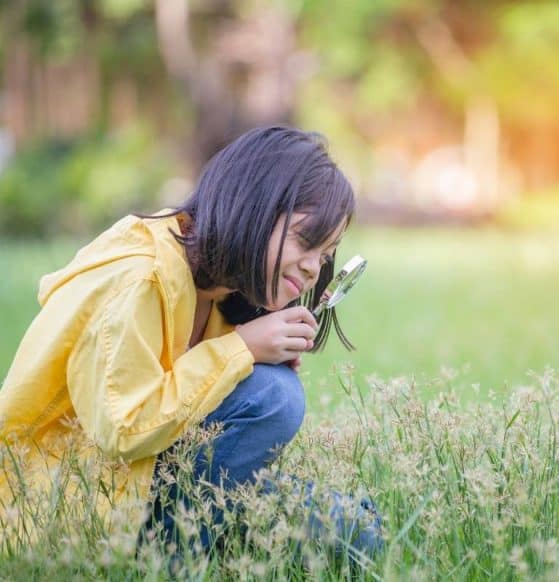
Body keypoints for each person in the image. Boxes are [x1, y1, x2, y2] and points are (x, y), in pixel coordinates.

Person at [0, 126, 382, 559]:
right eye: (306, 241)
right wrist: (240, 351)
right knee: (276, 397)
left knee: (356, 534)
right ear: (251, 208)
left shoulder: (227, 291)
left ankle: (206, 545)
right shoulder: (140, 279)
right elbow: (123, 429)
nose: (315, 268)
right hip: (78, 506)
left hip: (154, 483)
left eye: (326, 255)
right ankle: (168, 562)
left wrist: (251, 357)